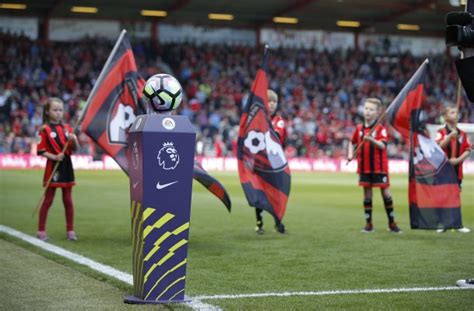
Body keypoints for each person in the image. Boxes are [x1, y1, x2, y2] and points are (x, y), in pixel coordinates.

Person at [347, 98, 401, 233]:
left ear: (377, 113)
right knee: (367, 195)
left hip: (379, 168)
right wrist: (349, 154)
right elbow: (351, 142)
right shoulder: (359, 128)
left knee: (386, 193)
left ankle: (392, 223)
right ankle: (369, 224)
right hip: (364, 167)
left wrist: (371, 140)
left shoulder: (379, 129)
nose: (368, 112)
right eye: (366, 109)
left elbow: (383, 146)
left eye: (371, 110)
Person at [36, 97, 79, 241]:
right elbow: (40, 150)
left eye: (61, 110)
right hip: (53, 166)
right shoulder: (44, 129)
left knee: (68, 200)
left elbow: (75, 149)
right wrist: (54, 157)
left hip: (66, 165)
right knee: (48, 200)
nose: (59, 113)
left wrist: (74, 140)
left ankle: (70, 230)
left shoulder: (68, 128)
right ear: (47, 112)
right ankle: (41, 231)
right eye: (55, 110)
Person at [435, 104, 471, 233]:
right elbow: (438, 147)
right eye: (452, 112)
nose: (455, 114)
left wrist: (458, 160)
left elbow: (468, 149)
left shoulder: (462, 133)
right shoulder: (441, 132)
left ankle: (457, 224)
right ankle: (444, 224)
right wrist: (449, 137)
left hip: (457, 171)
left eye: (456, 112)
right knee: (444, 196)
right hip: (444, 171)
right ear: (445, 117)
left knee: (455, 196)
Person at [255, 89, 287, 234]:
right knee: (260, 193)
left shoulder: (279, 121)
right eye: (269, 101)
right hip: (261, 163)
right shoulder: (258, 119)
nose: (272, 104)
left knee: (275, 194)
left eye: (275, 102)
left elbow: (277, 135)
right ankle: (259, 222)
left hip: (275, 164)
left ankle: (277, 222)